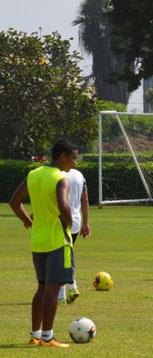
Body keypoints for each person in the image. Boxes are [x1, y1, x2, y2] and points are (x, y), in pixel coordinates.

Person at [9, 139, 77, 348]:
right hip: (57, 241)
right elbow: (64, 207)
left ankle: (35, 334)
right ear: (63, 157)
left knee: (41, 288)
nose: (75, 163)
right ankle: (47, 337)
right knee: (52, 290)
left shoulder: (34, 174)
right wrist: (69, 220)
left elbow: (14, 201)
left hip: (37, 241)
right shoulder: (60, 178)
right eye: (73, 158)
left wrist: (28, 221)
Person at [57, 166, 90, 305]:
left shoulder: (56, 175)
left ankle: (63, 294)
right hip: (76, 221)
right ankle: (71, 287)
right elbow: (85, 200)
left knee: (58, 258)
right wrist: (86, 223)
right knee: (67, 255)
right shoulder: (79, 175)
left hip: (60, 220)